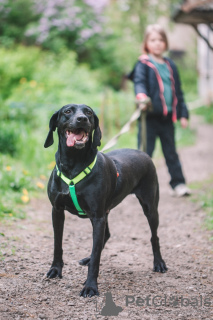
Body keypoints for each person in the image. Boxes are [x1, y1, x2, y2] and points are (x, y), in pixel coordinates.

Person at [128, 24, 191, 197]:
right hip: (149, 118)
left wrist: (183, 113)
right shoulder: (143, 63)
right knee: (144, 154)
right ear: (146, 43)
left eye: (161, 40)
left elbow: (178, 91)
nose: (157, 43)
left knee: (171, 152)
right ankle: (138, 186)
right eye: (153, 40)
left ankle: (178, 184)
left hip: (167, 118)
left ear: (166, 43)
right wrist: (141, 95)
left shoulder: (171, 64)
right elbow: (139, 82)